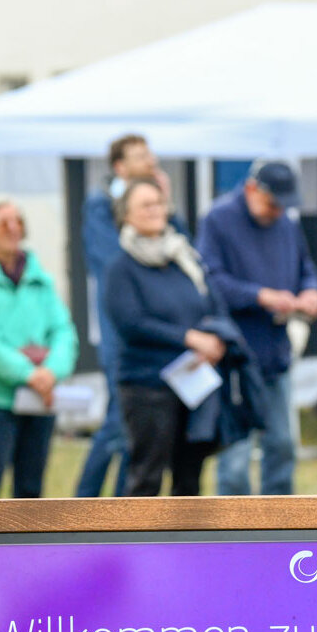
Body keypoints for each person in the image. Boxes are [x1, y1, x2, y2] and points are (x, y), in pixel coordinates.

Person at [198, 160, 317, 495]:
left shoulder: (286, 223)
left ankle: (280, 532)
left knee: (283, 446)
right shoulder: (218, 220)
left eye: (284, 205)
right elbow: (209, 281)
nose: (277, 211)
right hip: (237, 358)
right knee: (236, 459)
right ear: (252, 189)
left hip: (276, 354)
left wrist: (313, 291)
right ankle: (234, 539)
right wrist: (260, 296)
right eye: (272, 203)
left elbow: (305, 268)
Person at [105, 178, 231, 496]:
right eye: (145, 205)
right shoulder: (122, 269)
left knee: (190, 478)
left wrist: (214, 340)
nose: (155, 210)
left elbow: (212, 301)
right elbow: (131, 323)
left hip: (194, 381)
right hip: (148, 387)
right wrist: (189, 338)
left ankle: (186, 546)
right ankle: (136, 546)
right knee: (148, 477)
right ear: (126, 215)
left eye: (159, 203)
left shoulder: (183, 258)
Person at [75, 134, 185, 498]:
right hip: (122, 331)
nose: (150, 161)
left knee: (133, 432)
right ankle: (83, 509)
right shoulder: (100, 205)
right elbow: (114, 263)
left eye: (150, 153)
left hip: (152, 337)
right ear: (119, 166)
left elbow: (181, 247)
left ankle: (122, 510)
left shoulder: (155, 204)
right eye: (140, 156)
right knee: (117, 423)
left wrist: (166, 202)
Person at [0, 197, 77, 499]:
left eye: (18, 222)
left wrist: (51, 372)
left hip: (40, 397)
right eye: (4, 222)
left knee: (31, 491)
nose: (13, 229)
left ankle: (26, 549)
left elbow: (63, 330)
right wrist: (28, 374)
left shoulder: (40, 278)